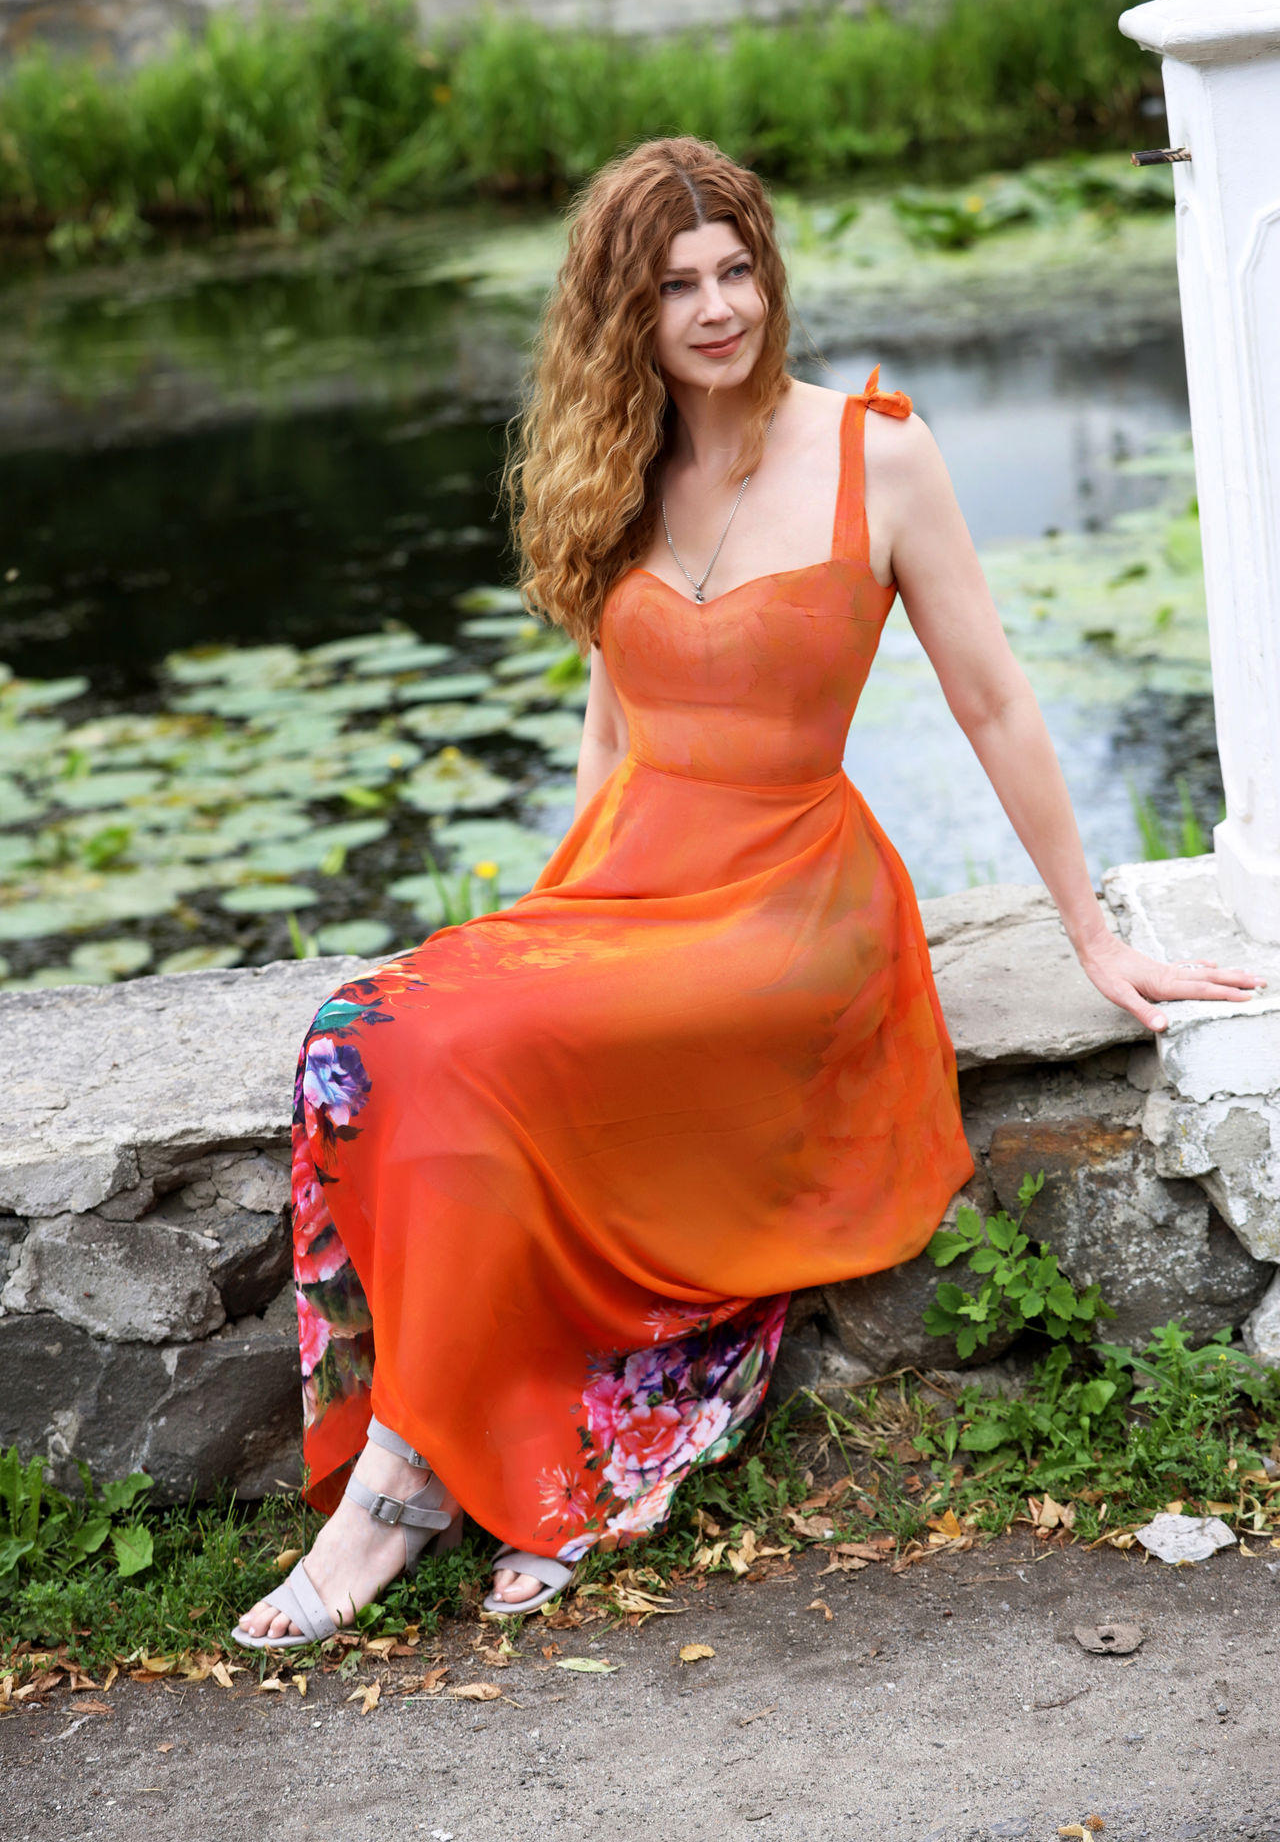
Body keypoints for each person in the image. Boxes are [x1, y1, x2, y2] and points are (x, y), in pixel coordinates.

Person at [233, 136, 1264, 1647]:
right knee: (365, 1031)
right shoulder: (614, 467)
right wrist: (548, 934)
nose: (718, 309)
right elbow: (610, 733)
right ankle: (472, 1446)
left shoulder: (878, 454)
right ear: (623, 314)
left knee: (478, 1053)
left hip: (795, 906)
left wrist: (1093, 935)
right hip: (634, 882)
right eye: (676, 286)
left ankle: (404, 1485)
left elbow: (992, 702)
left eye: (737, 272)